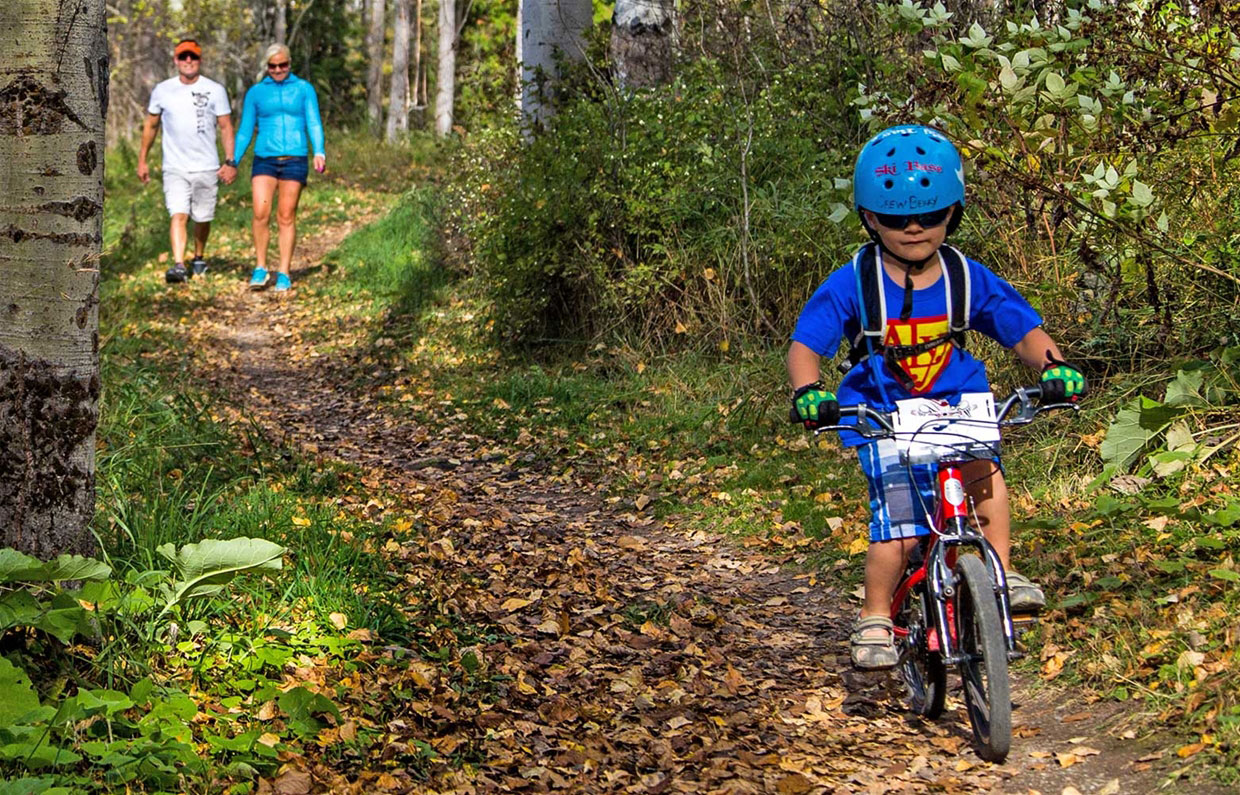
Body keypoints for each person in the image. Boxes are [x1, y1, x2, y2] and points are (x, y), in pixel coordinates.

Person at [787, 125, 1087, 670]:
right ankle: (876, 615)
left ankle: (999, 572)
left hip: (959, 401)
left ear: (953, 214)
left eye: (930, 215)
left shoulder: (964, 276)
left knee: (984, 478)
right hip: (881, 409)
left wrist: (1056, 367)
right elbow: (807, 344)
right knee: (900, 525)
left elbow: (1020, 330)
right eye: (896, 219)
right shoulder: (855, 281)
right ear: (870, 219)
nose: (914, 228)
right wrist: (809, 391)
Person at [138, 39, 237, 284]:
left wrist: (230, 161)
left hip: (206, 165)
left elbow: (225, 127)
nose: (188, 61)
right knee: (178, 214)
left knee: (203, 218)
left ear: (200, 60)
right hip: (175, 167)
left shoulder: (215, 89)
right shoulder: (163, 90)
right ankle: (179, 265)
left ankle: (199, 257)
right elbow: (151, 126)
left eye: (192, 57)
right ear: (176, 61)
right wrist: (143, 159)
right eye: (183, 57)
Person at [232, 44, 326, 293]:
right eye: (273, 66)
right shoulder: (256, 93)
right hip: (264, 159)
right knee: (260, 213)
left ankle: (284, 272)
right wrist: (233, 160)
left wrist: (319, 150)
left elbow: (314, 122)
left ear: (289, 63)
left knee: (286, 216)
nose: (278, 70)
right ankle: (261, 268)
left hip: (295, 158)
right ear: (267, 66)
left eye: (282, 65)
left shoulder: (304, 89)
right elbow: (244, 130)